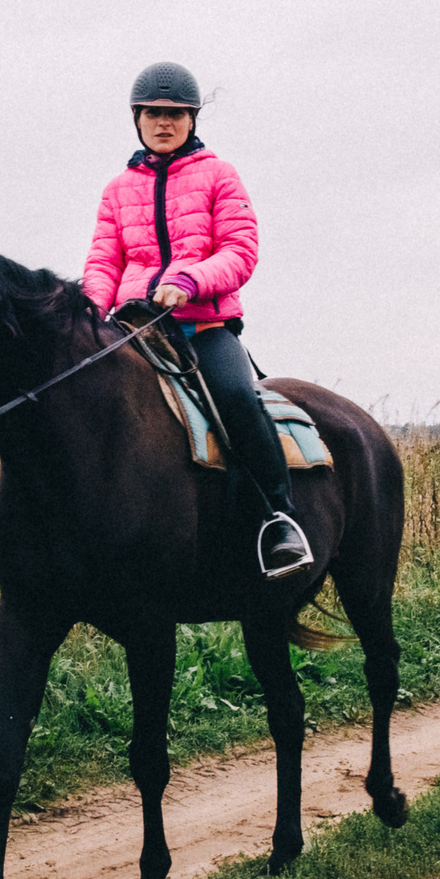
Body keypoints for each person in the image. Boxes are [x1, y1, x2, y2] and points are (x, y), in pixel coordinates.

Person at [82, 62, 314, 579]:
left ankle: (278, 517)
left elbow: (240, 250)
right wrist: (89, 310)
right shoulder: (117, 189)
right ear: (137, 119)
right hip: (135, 329)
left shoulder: (219, 175)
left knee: (237, 398)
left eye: (176, 114)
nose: (164, 122)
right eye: (153, 113)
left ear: (192, 119)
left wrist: (188, 281)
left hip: (203, 326)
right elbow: (103, 262)